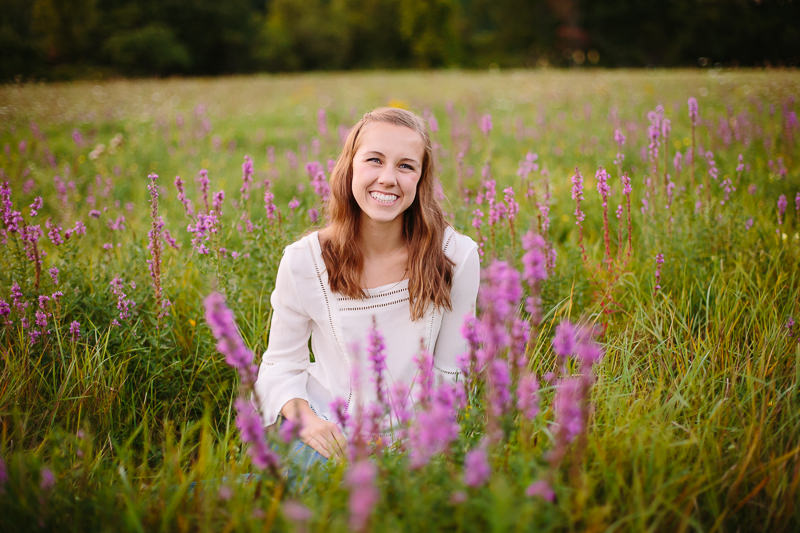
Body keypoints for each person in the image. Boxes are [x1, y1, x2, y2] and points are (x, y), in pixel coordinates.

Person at [254, 107, 480, 465]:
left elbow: (449, 374)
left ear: (421, 179)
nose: (388, 178)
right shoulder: (304, 261)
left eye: (406, 166)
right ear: (350, 168)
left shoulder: (456, 256)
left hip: (413, 437)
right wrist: (309, 423)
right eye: (374, 160)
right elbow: (280, 366)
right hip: (325, 426)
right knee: (314, 496)